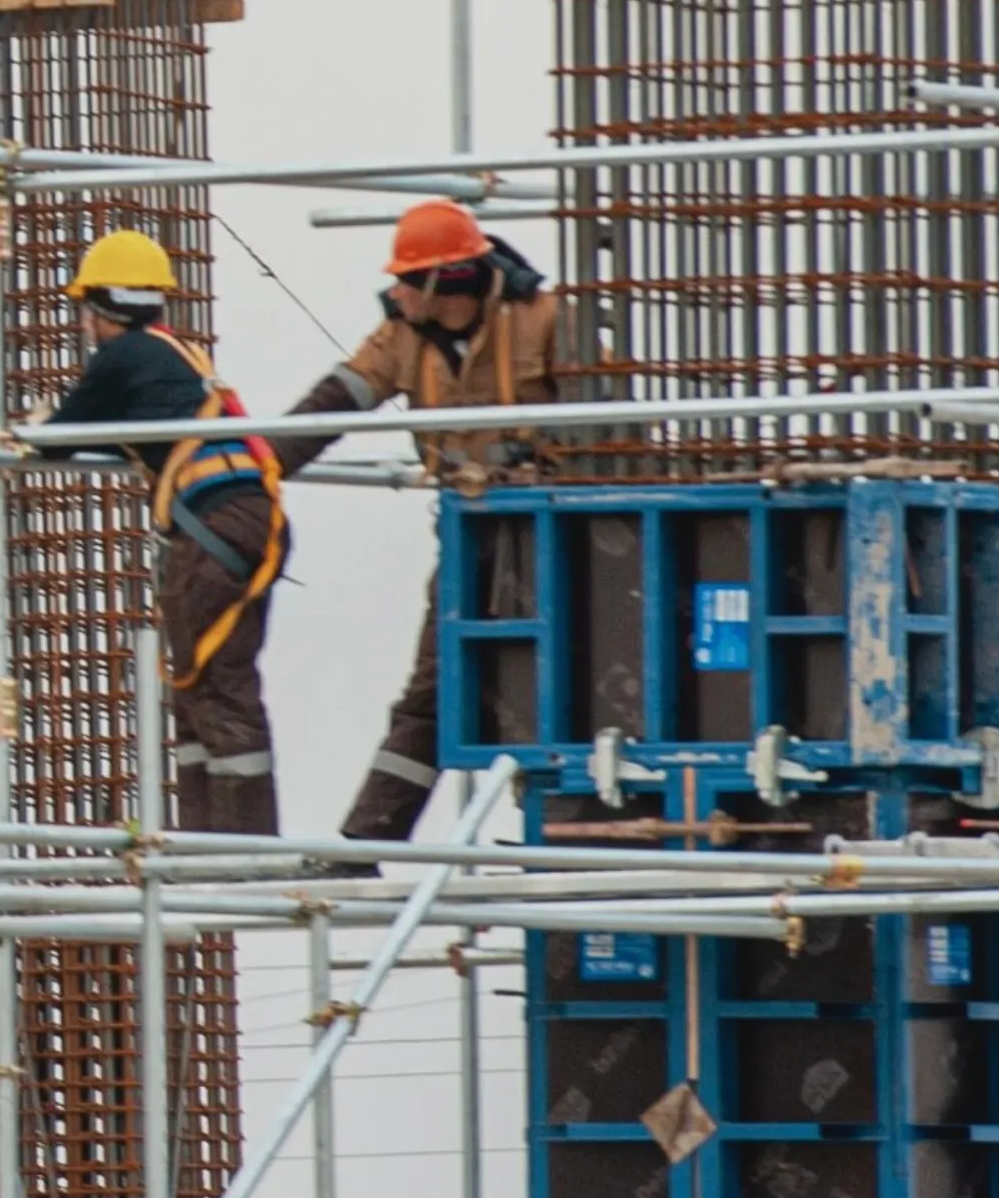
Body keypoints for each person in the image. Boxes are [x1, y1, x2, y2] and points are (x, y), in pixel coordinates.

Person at [283, 199, 587, 841]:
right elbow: (334, 402)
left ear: (442, 282)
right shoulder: (401, 335)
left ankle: (574, 825)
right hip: (469, 532)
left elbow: (615, 426)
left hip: (559, 534)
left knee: (574, 673)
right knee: (437, 679)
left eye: (404, 278)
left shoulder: (545, 320)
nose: (393, 291)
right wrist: (258, 462)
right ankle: (367, 839)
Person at [36, 228, 288, 833]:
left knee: (219, 688)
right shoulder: (173, 355)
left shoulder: (124, 358)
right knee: (198, 688)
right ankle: (209, 841)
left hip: (215, 534)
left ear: (100, 308)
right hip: (235, 528)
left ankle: (244, 848)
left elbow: (56, 443)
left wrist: (37, 424)